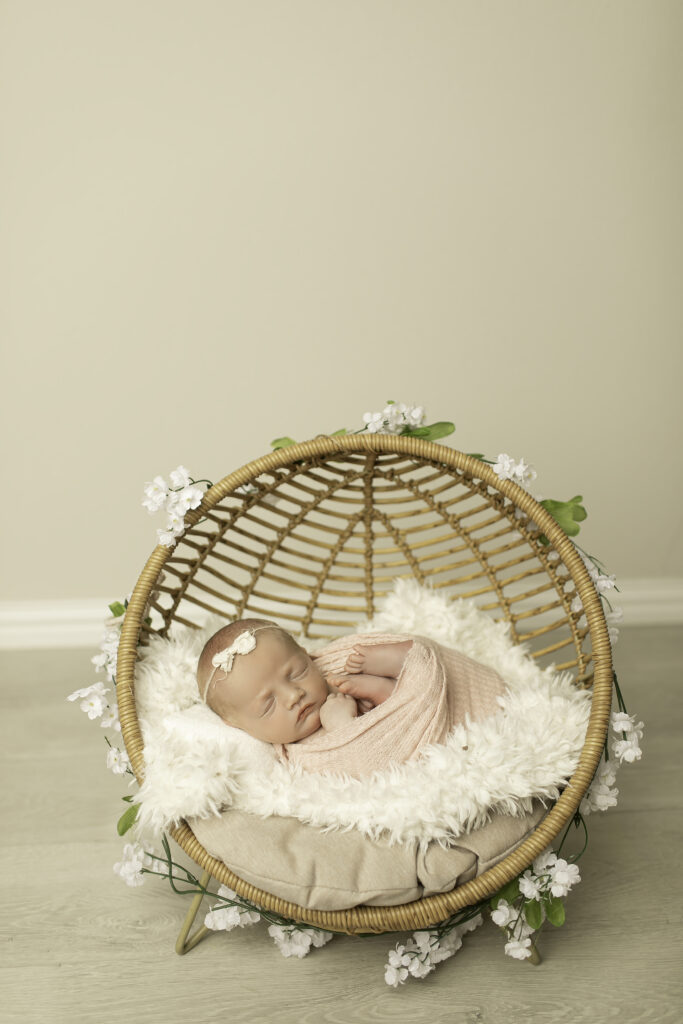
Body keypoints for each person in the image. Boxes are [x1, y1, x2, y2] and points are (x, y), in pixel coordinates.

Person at [196, 617, 413, 744]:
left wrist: (366, 688)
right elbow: (368, 765)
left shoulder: (334, 674)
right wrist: (343, 726)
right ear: (237, 725)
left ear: (306, 655)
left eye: (297, 673)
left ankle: (407, 661)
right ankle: (392, 682)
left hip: (417, 691)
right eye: (268, 705)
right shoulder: (298, 756)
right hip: (408, 735)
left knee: (409, 665)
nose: (293, 695)